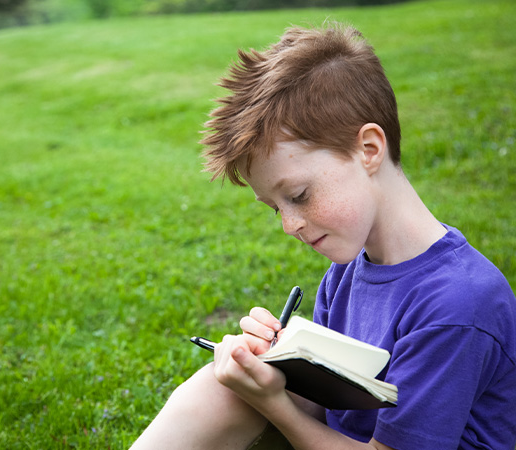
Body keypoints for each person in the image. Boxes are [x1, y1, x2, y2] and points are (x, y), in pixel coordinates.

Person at [130, 23, 516, 450]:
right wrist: (274, 365)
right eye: (277, 208)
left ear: (368, 149)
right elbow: (333, 407)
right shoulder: (347, 271)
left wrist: (275, 403)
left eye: (298, 195)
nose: (289, 224)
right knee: (224, 384)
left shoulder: (459, 303)